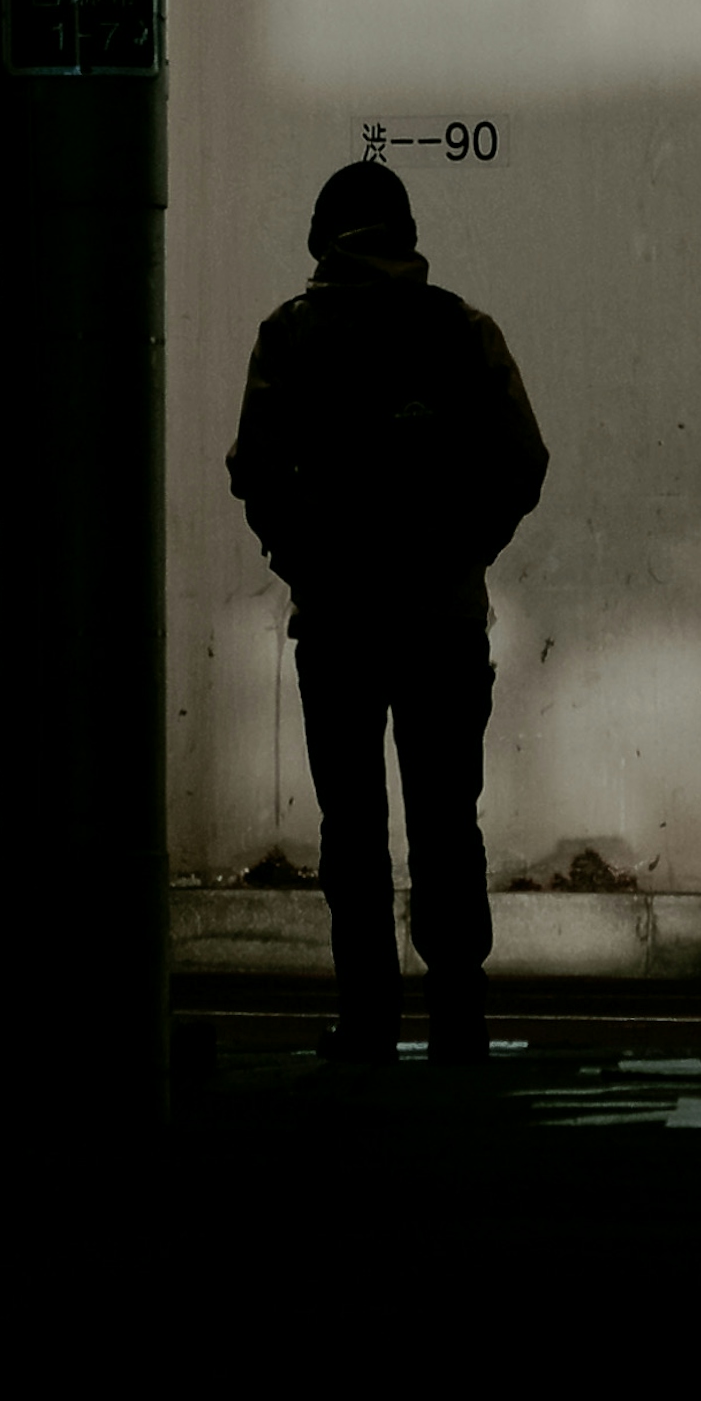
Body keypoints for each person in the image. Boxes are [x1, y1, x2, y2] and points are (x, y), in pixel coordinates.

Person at [229, 160, 549, 1070]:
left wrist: (306, 558)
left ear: (322, 238)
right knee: (448, 819)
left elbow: (255, 468)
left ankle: (368, 1025)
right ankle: (459, 1022)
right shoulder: (462, 329)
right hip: (442, 621)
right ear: (407, 234)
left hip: (338, 625)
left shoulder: (290, 336)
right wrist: (463, 548)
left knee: (354, 829)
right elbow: (523, 458)